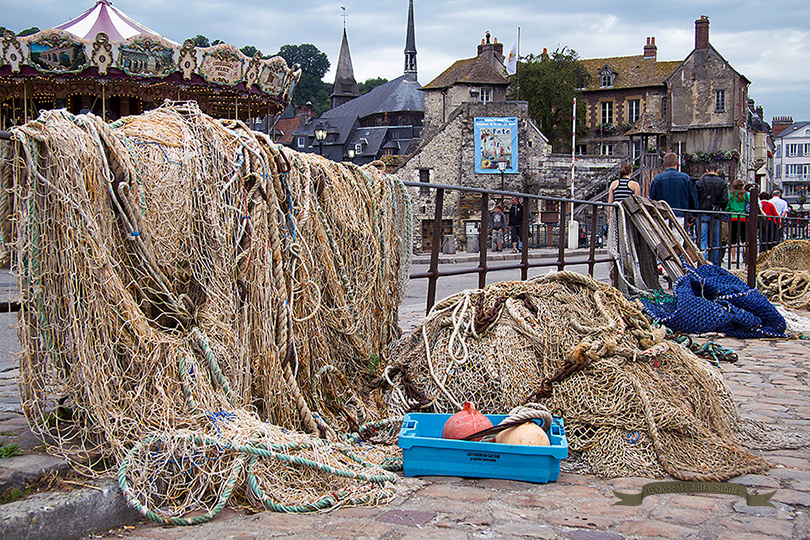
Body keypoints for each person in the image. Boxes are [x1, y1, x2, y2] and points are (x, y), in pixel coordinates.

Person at [650, 152, 697, 243]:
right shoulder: (685, 178)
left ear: (664, 164)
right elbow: (692, 197)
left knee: (664, 242)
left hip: (663, 215)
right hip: (681, 215)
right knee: (678, 242)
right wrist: (693, 215)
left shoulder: (657, 179)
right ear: (677, 163)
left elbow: (652, 199)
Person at [694, 162, 728, 265]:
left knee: (702, 240)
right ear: (717, 171)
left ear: (707, 171)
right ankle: (715, 265)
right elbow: (725, 200)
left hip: (702, 213)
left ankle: (703, 264)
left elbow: (696, 199)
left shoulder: (700, 182)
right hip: (716, 214)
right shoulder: (722, 183)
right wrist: (720, 207)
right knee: (715, 242)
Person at [725, 179, 749, 264]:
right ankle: (746, 256)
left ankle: (734, 258)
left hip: (732, 218)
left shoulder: (730, 195)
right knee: (745, 239)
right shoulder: (746, 195)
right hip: (743, 218)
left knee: (733, 239)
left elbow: (727, 207)